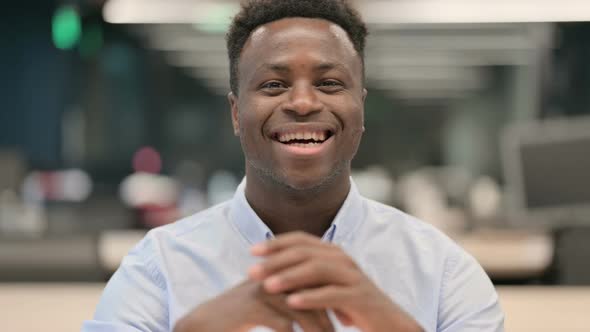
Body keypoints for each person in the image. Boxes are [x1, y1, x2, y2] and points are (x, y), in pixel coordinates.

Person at [83, 0, 504, 331]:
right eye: (273, 85)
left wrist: (387, 323)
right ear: (235, 113)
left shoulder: (444, 271)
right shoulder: (158, 269)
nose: (302, 102)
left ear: (360, 107)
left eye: (329, 83)